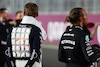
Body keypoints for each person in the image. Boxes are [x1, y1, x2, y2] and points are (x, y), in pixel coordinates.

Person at [5, 2, 47, 67]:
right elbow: (35, 52)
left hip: (17, 63)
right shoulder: (36, 29)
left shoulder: (13, 29)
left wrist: (12, 65)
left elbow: (7, 51)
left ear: (24, 14)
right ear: (37, 14)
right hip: (33, 64)